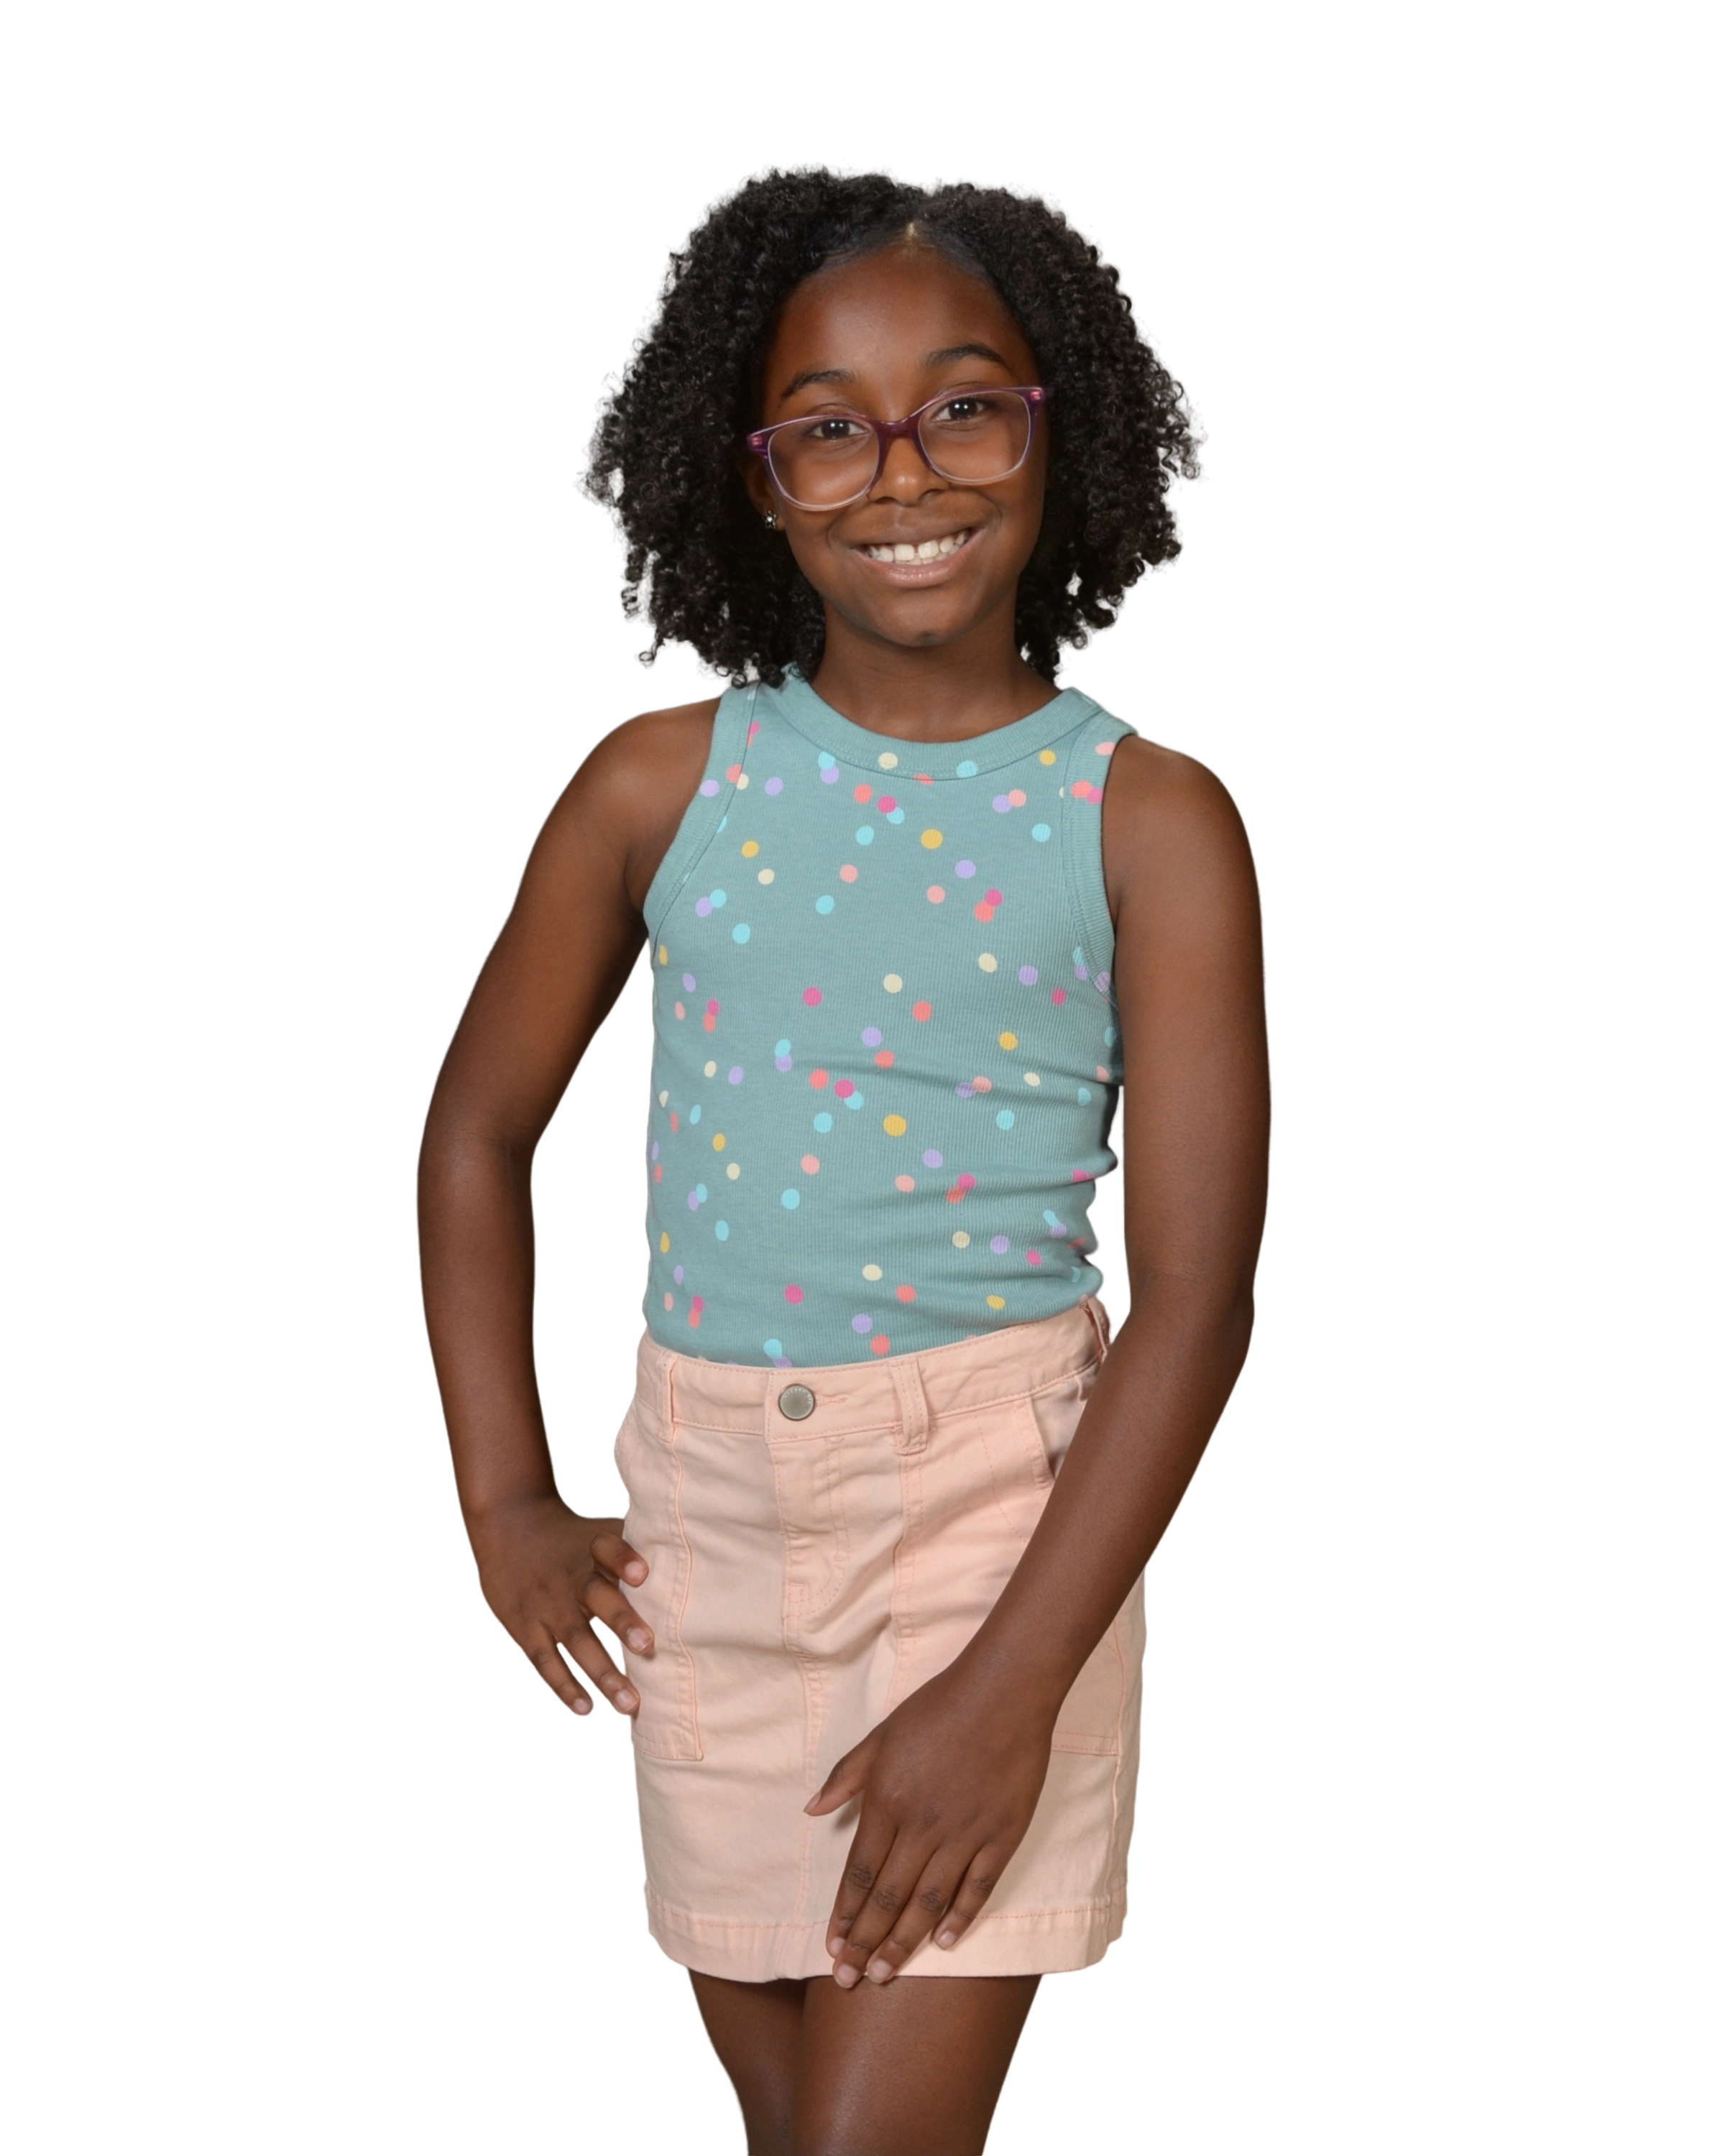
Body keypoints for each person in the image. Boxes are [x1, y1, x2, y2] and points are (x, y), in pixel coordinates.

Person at [415, 157, 1271, 2156]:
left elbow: (1199, 1295)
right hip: (703, 1522)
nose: (904, 474)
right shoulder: (657, 785)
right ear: (751, 473)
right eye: (829, 426)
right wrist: (503, 1496)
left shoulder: (1149, 818)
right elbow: (474, 1129)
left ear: (1061, 423)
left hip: (1004, 1517)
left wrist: (1013, 1685)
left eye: (964, 405)